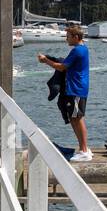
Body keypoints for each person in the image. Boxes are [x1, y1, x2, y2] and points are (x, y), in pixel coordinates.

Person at [37, 22, 92, 162]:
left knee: (77, 119)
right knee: (74, 118)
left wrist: (46, 60)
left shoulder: (77, 50)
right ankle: (83, 148)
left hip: (75, 89)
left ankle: (84, 150)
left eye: (68, 36)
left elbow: (61, 67)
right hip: (77, 88)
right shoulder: (82, 48)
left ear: (75, 37)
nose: (66, 39)